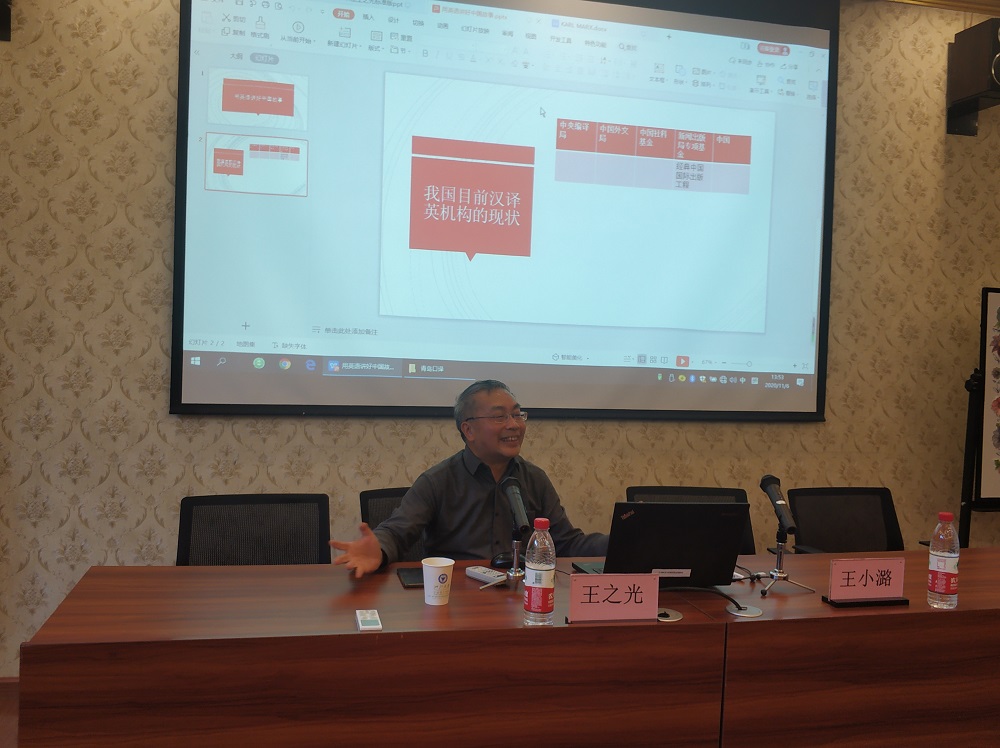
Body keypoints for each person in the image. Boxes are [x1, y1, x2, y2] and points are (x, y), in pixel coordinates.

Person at [330, 379, 608, 577]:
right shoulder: (438, 480)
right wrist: (378, 550)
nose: (514, 425)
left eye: (517, 414)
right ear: (469, 430)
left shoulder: (534, 478)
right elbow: (397, 531)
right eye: (500, 417)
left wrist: (619, 542)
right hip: (456, 596)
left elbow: (566, 543)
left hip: (520, 598)